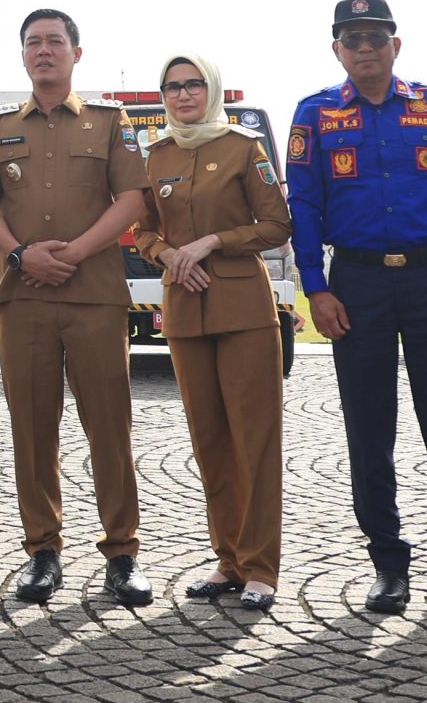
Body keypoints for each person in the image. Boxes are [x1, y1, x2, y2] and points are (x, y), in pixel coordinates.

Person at [286, 0, 427, 620]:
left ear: (396, 44)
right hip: (356, 285)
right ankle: (388, 563)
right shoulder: (315, 114)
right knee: (369, 427)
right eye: (352, 38)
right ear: (337, 49)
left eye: (376, 37)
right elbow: (305, 205)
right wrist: (316, 286)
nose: (365, 48)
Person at [0, 9, 152, 609]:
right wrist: (23, 255)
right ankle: (42, 551)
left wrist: (73, 251)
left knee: (109, 426)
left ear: (77, 52)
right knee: (32, 426)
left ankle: (122, 553)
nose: (43, 51)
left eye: (54, 41)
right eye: (32, 43)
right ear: (22, 56)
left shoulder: (110, 121)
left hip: (94, 293)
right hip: (23, 296)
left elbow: (130, 199)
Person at [137, 53, 290, 614]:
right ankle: (227, 560)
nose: (182, 95)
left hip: (244, 310)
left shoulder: (244, 148)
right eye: (171, 87)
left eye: (192, 85)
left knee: (255, 441)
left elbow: (278, 223)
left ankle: (261, 567)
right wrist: (169, 252)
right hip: (184, 311)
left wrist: (213, 242)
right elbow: (143, 229)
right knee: (210, 444)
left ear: (212, 88)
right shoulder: (157, 156)